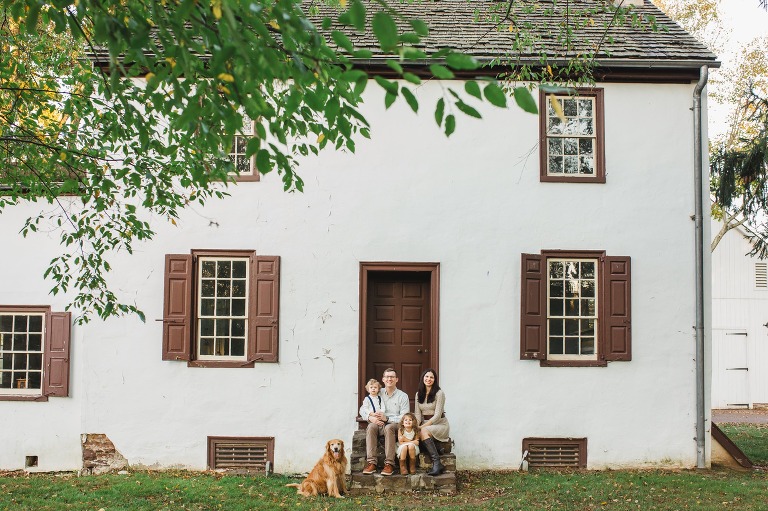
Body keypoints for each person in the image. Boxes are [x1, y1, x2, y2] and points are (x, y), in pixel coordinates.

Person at [362, 367, 410, 476]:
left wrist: (387, 419)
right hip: (379, 423)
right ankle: (372, 463)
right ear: (383, 379)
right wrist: (370, 418)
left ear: (396, 379)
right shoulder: (377, 391)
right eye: (387, 377)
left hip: (395, 424)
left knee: (389, 427)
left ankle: (389, 464)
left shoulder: (403, 396)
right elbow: (362, 409)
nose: (389, 379)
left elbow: (404, 417)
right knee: (371, 427)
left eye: (392, 377)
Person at [415, 368, 449, 476]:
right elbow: (417, 415)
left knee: (423, 431)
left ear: (435, 380)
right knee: (414, 433)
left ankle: (437, 463)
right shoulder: (418, 394)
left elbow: (438, 415)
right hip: (426, 425)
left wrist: (422, 427)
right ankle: (438, 448)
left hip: (440, 424)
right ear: (423, 378)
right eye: (427, 376)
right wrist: (415, 426)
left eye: (432, 377)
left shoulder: (439, 393)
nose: (429, 379)